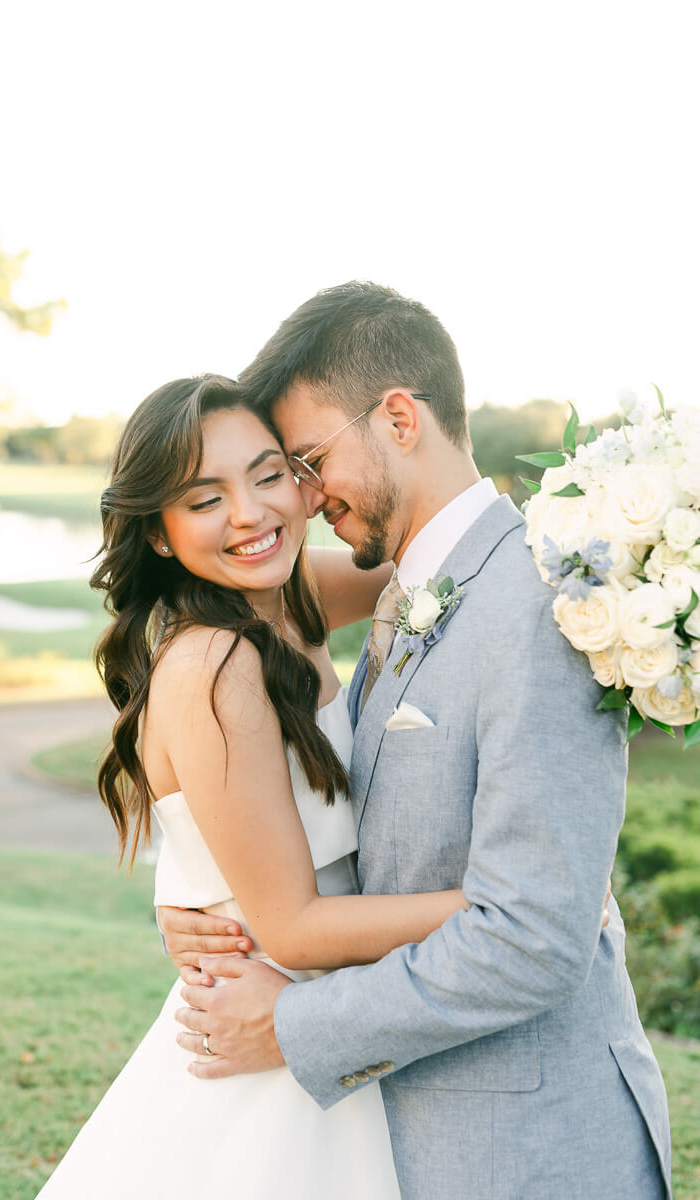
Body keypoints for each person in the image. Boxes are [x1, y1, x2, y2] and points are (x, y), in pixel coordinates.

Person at [162, 284, 673, 1199]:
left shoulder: (540, 606)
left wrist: (293, 1022)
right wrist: (221, 907)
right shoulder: (413, 583)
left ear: (399, 417)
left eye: (310, 460)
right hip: (424, 1136)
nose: (305, 499)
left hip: (531, 1149)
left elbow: (531, 939)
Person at [36, 372, 491, 1199]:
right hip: (273, 1031)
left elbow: (452, 564)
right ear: (162, 534)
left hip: (327, 1015)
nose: (250, 514)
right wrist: (500, 907)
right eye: (205, 498)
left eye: (269, 474)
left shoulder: (290, 597)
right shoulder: (213, 665)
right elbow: (294, 925)